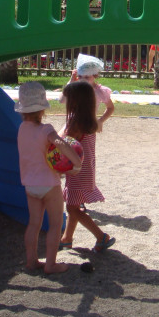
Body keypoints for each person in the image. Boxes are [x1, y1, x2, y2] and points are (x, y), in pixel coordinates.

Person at [15, 81, 82, 274]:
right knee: (55, 224)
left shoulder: (21, 129)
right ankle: (51, 264)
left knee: (34, 224)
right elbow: (61, 144)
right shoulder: (46, 130)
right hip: (49, 184)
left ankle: (31, 261)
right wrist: (76, 162)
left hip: (30, 185)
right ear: (42, 110)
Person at [59, 80, 116, 253]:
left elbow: (63, 143)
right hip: (86, 169)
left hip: (77, 171)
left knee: (71, 208)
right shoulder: (90, 121)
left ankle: (101, 236)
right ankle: (67, 238)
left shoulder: (74, 123)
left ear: (75, 102)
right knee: (74, 205)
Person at [64, 53, 115, 132]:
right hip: (72, 125)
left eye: (87, 77)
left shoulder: (99, 91)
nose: (83, 80)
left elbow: (110, 107)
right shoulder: (76, 88)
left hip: (89, 126)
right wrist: (71, 80)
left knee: (87, 141)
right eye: (80, 76)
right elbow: (63, 98)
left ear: (95, 75)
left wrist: (100, 121)